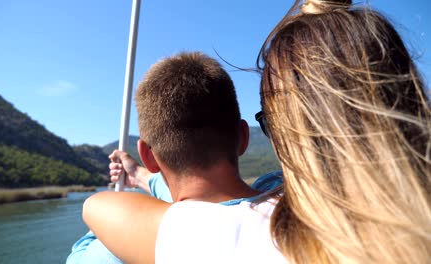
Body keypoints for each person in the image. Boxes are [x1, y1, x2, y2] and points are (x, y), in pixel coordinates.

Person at [83, 0, 431, 263]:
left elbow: (97, 207)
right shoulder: (280, 197)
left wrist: (144, 174)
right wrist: (142, 174)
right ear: (243, 137)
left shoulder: (233, 240)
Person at [66, 51, 283, 264]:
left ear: (148, 156)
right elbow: (201, 193)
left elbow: (96, 208)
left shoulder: (123, 248)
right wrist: (137, 174)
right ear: (244, 136)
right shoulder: (288, 192)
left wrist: (98, 231)